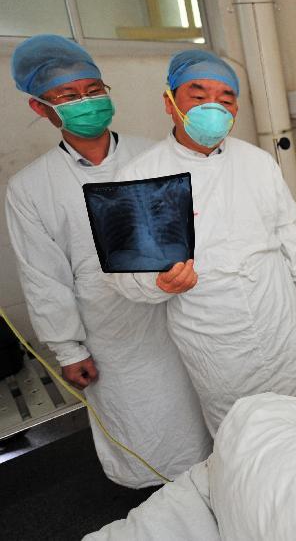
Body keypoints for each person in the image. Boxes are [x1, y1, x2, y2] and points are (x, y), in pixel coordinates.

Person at [5, 35, 211, 487]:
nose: (87, 102)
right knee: (142, 422)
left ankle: (216, 485)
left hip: (178, 309)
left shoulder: (156, 155)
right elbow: (44, 276)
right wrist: (67, 348)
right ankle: (156, 500)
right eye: (69, 96)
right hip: (111, 332)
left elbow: (201, 229)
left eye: (94, 90)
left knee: (201, 409)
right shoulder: (30, 187)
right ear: (41, 109)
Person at [108, 49, 296, 434]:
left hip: (277, 315)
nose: (213, 107)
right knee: (241, 432)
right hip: (212, 330)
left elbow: (289, 231)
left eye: (225, 98)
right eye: (197, 97)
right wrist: (158, 283)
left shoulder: (257, 161)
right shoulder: (139, 178)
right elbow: (122, 274)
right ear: (170, 102)